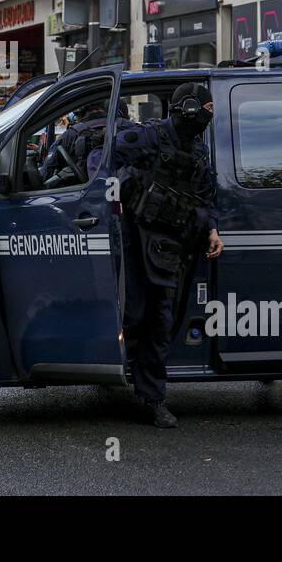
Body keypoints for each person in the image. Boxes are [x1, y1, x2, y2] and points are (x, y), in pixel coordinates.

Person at [111, 83, 223, 428]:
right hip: (137, 240)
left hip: (174, 246)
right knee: (134, 316)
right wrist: (132, 188)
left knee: (162, 322)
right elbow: (104, 166)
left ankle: (152, 397)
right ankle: (117, 378)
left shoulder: (199, 151)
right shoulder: (147, 138)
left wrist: (212, 228)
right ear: (187, 108)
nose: (205, 119)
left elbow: (206, 195)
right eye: (202, 111)